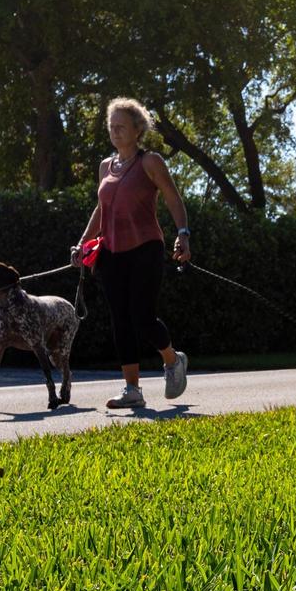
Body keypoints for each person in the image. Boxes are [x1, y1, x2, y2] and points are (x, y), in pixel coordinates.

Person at [71, 97, 192, 409]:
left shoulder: (150, 162)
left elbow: (173, 199)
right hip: (111, 253)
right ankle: (132, 390)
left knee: (142, 317)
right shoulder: (104, 167)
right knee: (120, 320)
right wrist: (83, 243)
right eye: (112, 127)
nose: (115, 131)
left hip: (145, 248)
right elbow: (101, 208)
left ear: (138, 129)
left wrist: (183, 234)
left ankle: (172, 360)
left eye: (121, 126)